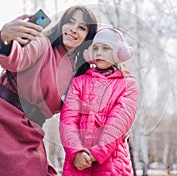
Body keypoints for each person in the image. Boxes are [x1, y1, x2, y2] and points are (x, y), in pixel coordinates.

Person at [0, 5, 98, 176]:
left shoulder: (79, 72)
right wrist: (5, 38)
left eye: (81, 27)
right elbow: (17, 60)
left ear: (88, 37)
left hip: (29, 133)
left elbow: (83, 113)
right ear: (62, 24)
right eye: (70, 22)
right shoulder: (43, 44)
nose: (73, 29)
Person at [59, 28, 139, 175]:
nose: (99, 53)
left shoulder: (128, 85)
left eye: (106, 48)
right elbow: (68, 120)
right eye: (95, 48)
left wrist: (95, 154)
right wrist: (76, 152)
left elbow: (118, 124)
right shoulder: (79, 82)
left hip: (112, 164)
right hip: (78, 164)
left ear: (118, 53)